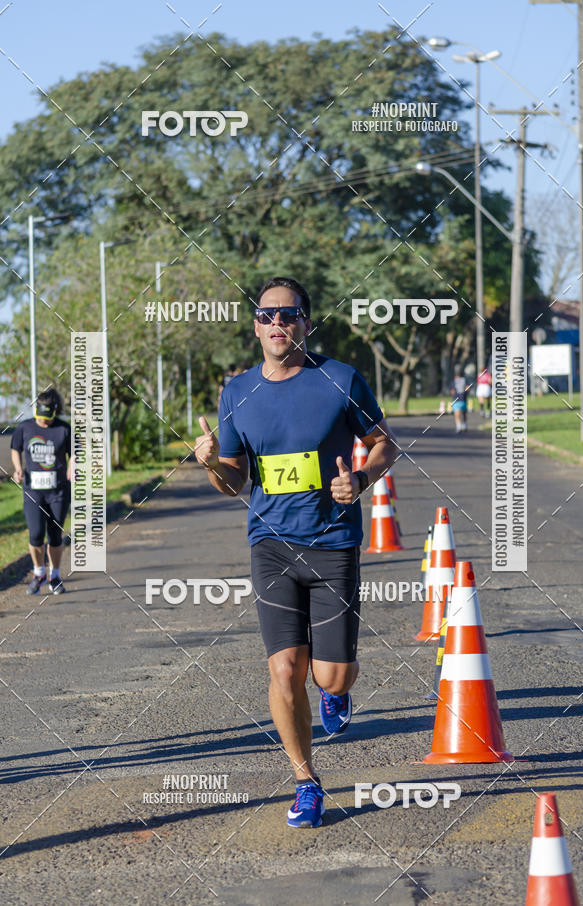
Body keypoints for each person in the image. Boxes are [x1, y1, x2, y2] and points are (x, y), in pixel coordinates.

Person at [194, 276, 397, 828]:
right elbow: (235, 482)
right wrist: (212, 462)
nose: (276, 323)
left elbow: (384, 441)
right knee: (284, 670)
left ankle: (335, 696)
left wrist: (360, 478)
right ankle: (306, 781)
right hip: (271, 546)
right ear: (255, 325)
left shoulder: (339, 379)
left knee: (331, 676)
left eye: (288, 314)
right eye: (266, 315)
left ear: (307, 321)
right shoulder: (237, 392)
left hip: (333, 543)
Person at [10, 388, 72, 594]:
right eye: (41, 417)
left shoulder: (64, 429)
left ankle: (55, 576)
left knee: (55, 536)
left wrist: (73, 467)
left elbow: (75, 453)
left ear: (55, 411)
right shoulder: (24, 428)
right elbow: (15, 448)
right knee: (36, 534)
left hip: (58, 491)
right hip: (33, 491)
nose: (44, 422)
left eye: (48, 418)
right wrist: (18, 469)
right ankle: (39, 573)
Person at [451, 366, 469, 433]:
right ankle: (465, 425)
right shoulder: (465, 380)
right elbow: (467, 388)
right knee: (464, 413)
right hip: (463, 399)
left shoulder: (454, 381)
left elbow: (452, 391)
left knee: (457, 414)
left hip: (456, 399)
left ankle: (458, 427)